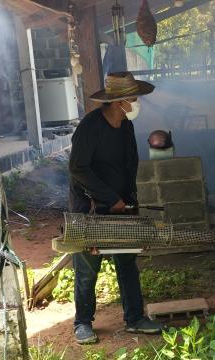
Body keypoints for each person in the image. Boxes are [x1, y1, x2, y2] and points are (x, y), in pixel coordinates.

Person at [69, 72, 163, 344]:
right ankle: (83, 322)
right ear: (120, 101)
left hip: (121, 205)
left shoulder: (126, 126)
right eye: (134, 98)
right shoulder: (90, 127)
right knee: (88, 266)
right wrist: (109, 198)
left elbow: (129, 164)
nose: (137, 103)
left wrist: (129, 201)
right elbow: (78, 168)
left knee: (127, 261)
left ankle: (134, 318)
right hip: (90, 207)